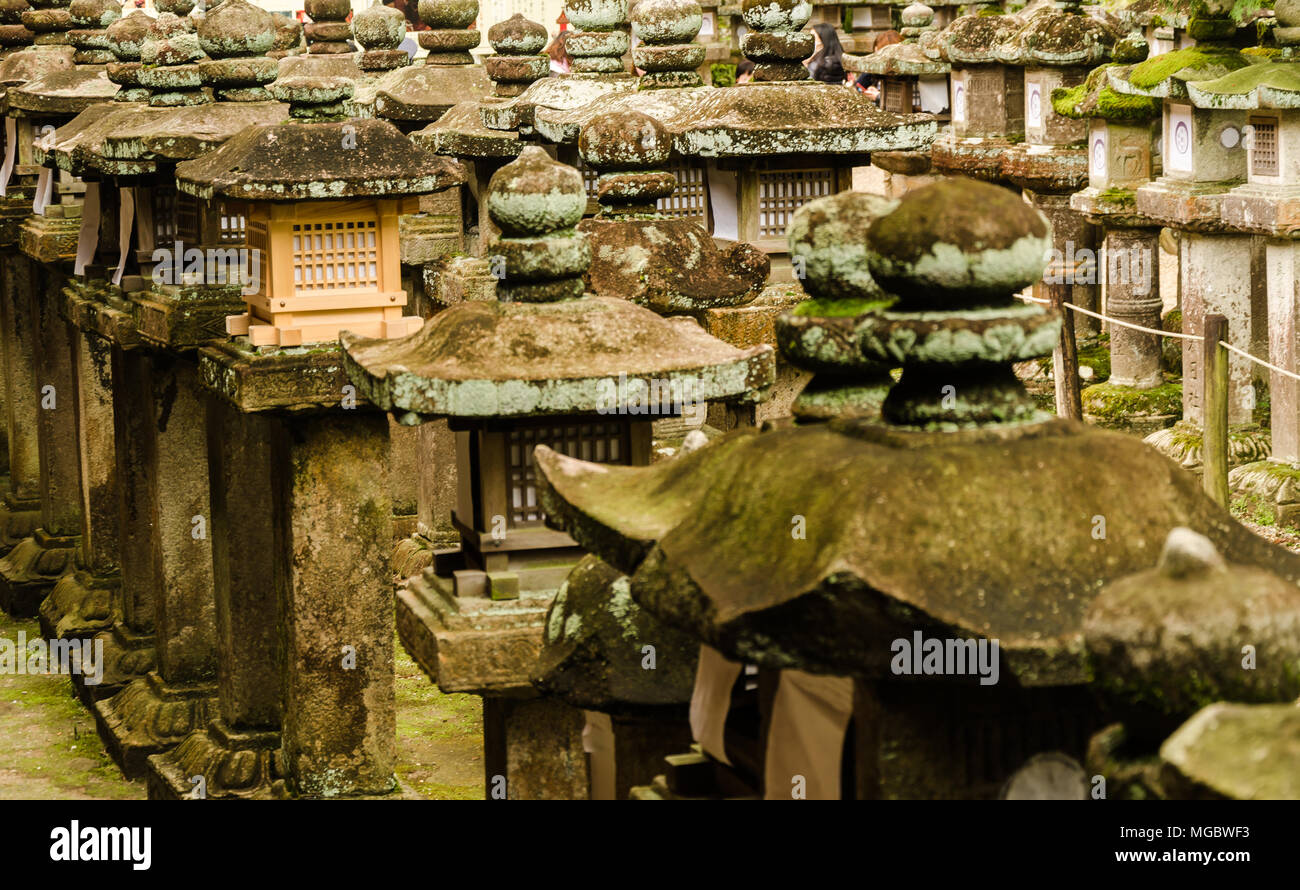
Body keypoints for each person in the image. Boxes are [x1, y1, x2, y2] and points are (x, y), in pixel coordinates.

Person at [855, 29, 902, 101]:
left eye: (879, 55)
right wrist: (871, 89)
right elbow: (858, 87)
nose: (876, 59)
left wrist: (878, 96)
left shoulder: (905, 74)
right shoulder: (873, 69)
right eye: (875, 54)